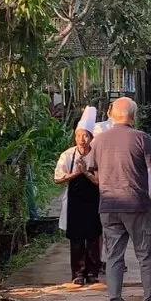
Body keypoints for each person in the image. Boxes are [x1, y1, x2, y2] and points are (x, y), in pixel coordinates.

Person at [88, 97, 151, 301]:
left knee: (114, 257)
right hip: (137, 205)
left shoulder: (99, 140)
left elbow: (93, 170)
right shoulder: (141, 138)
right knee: (147, 256)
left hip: (108, 206)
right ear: (134, 116)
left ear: (111, 113)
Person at [54, 107, 102, 285]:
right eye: (78, 136)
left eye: (85, 136)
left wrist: (86, 173)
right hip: (75, 202)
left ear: (91, 137)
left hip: (93, 201)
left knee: (93, 237)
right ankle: (78, 273)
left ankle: (93, 272)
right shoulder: (68, 155)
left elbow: (99, 181)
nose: (82, 139)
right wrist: (75, 173)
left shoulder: (97, 155)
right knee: (76, 238)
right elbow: (58, 178)